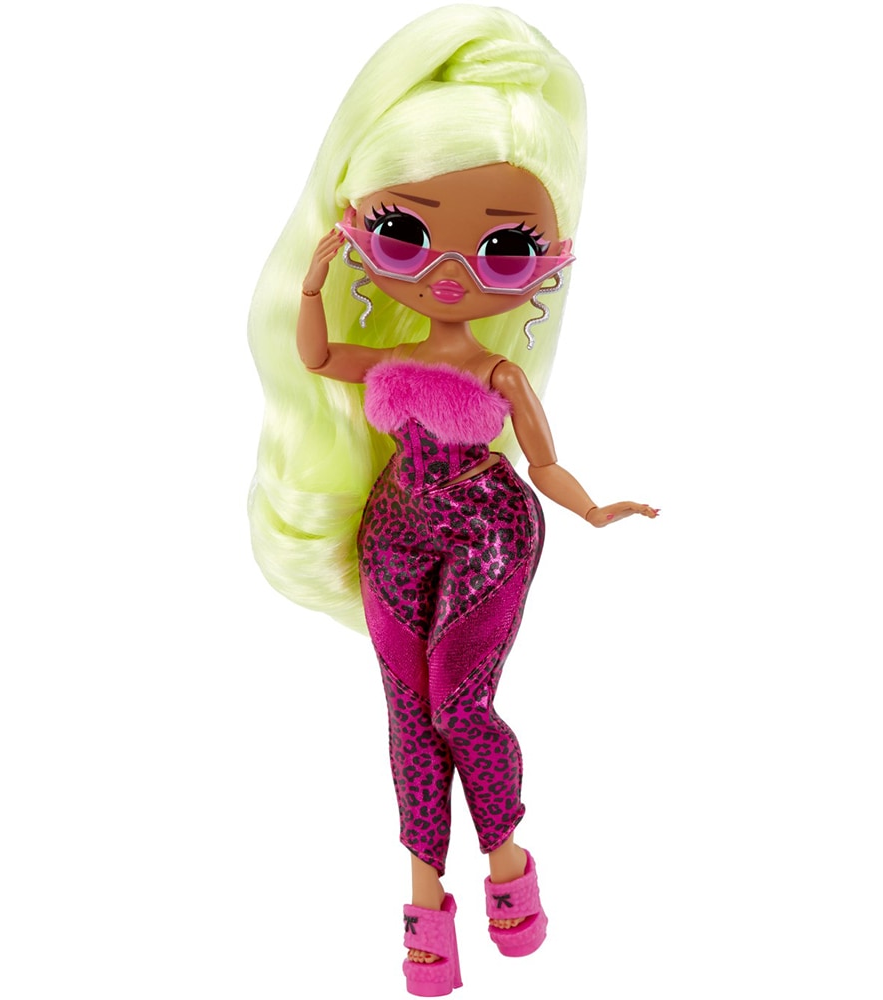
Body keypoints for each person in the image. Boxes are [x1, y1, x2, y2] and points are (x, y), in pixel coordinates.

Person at [248, 6, 657, 994]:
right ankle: (424, 900)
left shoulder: (498, 373)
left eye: (506, 248)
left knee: (460, 704)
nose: (449, 273)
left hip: (489, 532)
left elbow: (544, 463)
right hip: (392, 531)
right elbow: (317, 357)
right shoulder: (384, 356)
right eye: (404, 234)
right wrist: (312, 278)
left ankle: (507, 865)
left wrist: (592, 508)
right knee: (406, 710)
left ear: (548, 263)